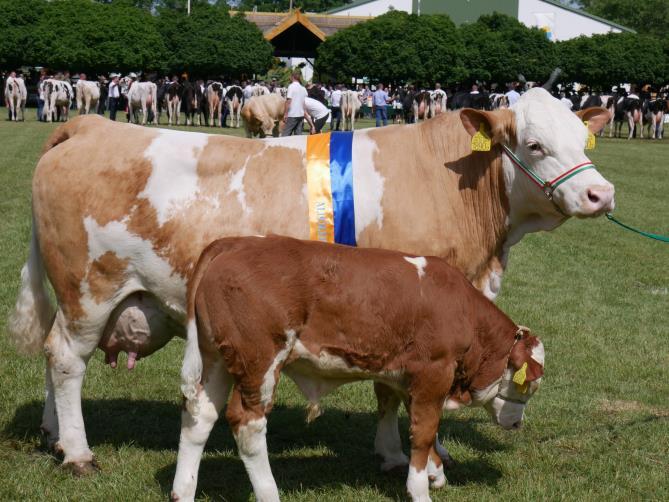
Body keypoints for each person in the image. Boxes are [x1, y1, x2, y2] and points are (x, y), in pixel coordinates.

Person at [281, 70, 307, 136]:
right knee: (298, 135)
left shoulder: (291, 86)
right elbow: (304, 102)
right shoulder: (303, 88)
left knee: (285, 134)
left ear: (292, 77)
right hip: (300, 115)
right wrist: (304, 112)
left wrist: (285, 114)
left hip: (292, 114)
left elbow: (288, 101)